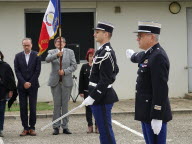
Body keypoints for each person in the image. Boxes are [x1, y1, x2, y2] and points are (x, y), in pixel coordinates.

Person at [126, 21, 172, 144]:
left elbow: (160, 89)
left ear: (152, 37)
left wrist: (157, 116)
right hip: (146, 110)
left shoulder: (158, 56)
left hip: (154, 112)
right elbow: (138, 56)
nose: (137, 39)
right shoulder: (149, 53)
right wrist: (132, 56)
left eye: (140, 36)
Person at [81, 22, 119, 144]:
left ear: (106, 34)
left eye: (97, 32)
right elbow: (115, 70)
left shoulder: (107, 52)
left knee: (105, 131)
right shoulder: (100, 51)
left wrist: (93, 96)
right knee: (103, 131)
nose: (94, 34)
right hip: (98, 96)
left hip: (101, 98)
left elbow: (105, 79)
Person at [45, 37, 77, 135]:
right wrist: (56, 55)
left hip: (66, 81)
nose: (60, 43)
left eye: (62, 42)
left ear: (65, 43)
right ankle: (56, 127)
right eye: (58, 42)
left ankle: (65, 126)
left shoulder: (70, 52)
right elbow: (47, 59)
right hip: (55, 82)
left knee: (65, 105)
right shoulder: (51, 51)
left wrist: (65, 71)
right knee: (56, 105)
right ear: (55, 44)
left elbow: (74, 65)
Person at [14, 38, 41, 136]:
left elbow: (37, 71)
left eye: (28, 45)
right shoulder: (18, 56)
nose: (26, 47)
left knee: (33, 107)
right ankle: (25, 128)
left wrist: (29, 82)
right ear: (22, 46)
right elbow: (17, 71)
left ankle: (32, 128)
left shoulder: (37, 55)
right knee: (23, 107)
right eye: (24, 45)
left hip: (33, 85)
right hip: (22, 86)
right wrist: (24, 82)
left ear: (31, 45)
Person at [78, 48, 98, 133]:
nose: (92, 58)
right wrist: (81, 91)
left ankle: (98, 126)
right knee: (88, 109)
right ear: (87, 57)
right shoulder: (84, 67)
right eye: (90, 56)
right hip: (87, 91)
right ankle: (90, 126)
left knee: (97, 109)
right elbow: (81, 80)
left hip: (96, 91)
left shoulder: (97, 66)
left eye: (93, 56)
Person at [0, 51, 17, 137]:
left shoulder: (5, 66)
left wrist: (11, 91)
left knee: (1, 112)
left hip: (2, 93)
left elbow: (11, 79)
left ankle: (0, 129)